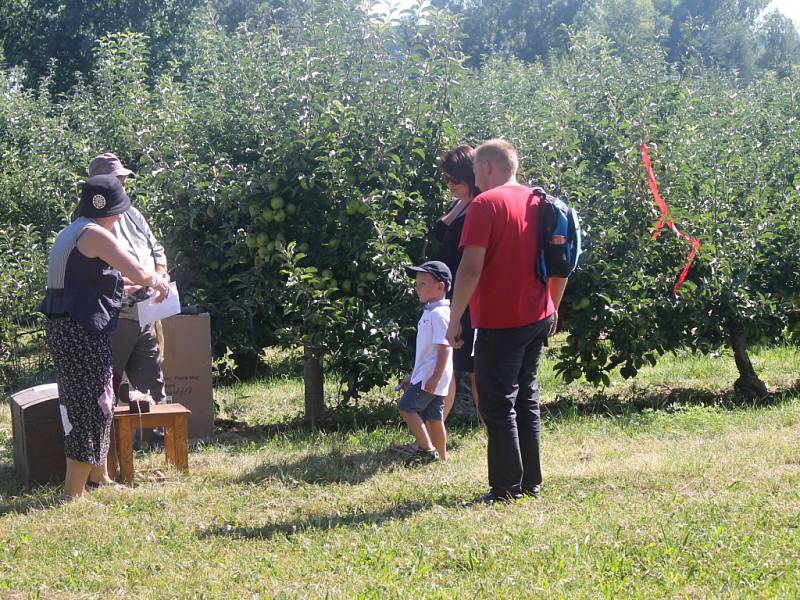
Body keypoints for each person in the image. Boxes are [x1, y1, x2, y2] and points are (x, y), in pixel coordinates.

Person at [446, 139, 568, 503]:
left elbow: (470, 267)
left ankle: (504, 488)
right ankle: (530, 482)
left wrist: (455, 319)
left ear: (485, 168)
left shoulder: (485, 204)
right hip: (537, 314)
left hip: (501, 319)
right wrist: (553, 306)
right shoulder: (538, 200)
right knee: (525, 397)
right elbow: (562, 260)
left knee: (497, 403)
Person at [38, 174, 171, 501]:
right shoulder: (94, 234)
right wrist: (159, 282)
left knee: (95, 399)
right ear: (109, 210)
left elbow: (82, 285)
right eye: (118, 212)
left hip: (69, 330)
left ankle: (100, 477)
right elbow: (138, 271)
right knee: (92, 405)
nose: (119, 218)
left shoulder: (71, 232)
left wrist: (124, 288)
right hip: (81, 333)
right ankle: (74, 495)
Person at [88, 153, 169, 405]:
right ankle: (110, 444)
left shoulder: (133, 214)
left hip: (145, 312)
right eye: (117, 181)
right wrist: (142, 281)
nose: (122, 186)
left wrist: (160, 274)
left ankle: (156, 442)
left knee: (153, 385)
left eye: (123, 180)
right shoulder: (90, 223)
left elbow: (157, 249)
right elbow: (97, 271)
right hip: (114, 316)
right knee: (107, 387)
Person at [429, 145, 481, 420]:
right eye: (446, 179)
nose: (449, 185)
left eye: (455, 179)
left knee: (474, 373)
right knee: (447, 366)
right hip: (450, 297)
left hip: (469, 299)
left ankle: (494, 437)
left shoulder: (481, 208)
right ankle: (435, 440)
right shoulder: (461, 204)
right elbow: (441, 228)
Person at [397, 261, 454, 464]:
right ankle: (442, 459)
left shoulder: (439, 314)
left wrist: (435, 377)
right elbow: (426, 352)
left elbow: (444, 347)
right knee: (435, 419)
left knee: (406, 407)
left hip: (432, 376)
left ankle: (427, 450)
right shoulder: (431, 312)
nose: (417, 288)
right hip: (429, 375)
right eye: (417, 284)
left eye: (422, 284)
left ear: (441, 286)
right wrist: (412, 375)